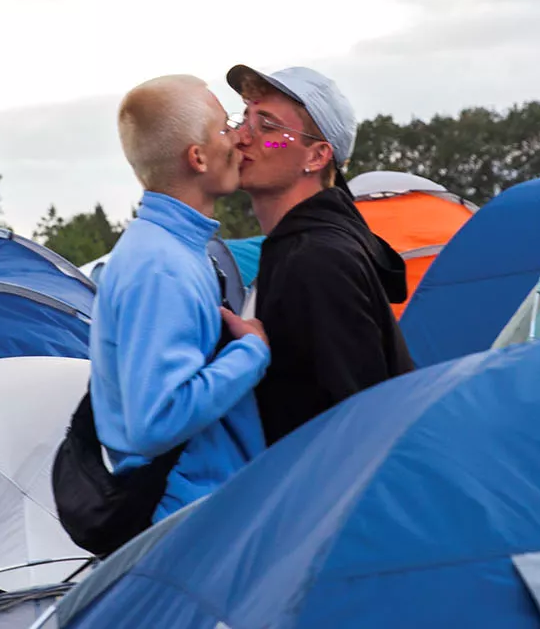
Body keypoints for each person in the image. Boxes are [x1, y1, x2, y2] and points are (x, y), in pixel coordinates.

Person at [89, 74, 270, 520]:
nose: (238, 138)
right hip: (188, 518)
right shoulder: (159, 266)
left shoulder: (171, 248)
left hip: (201, 507)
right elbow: (157, 420)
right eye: (224, 128)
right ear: (198, 157)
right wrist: (251, 351)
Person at [226, 64, 414, 443]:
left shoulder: (316, 261)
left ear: (316, 156)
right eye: (243, 119)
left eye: (268, 127)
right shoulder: (300, 247)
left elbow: (354, 422)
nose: (241, 138)